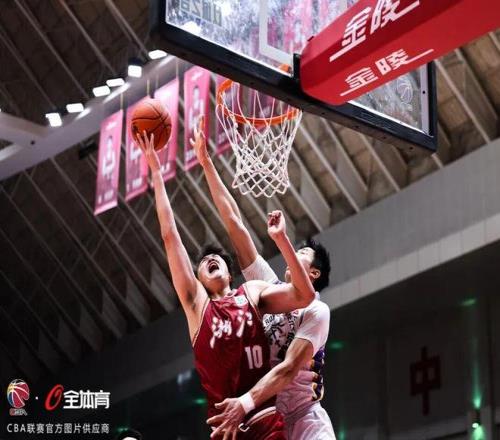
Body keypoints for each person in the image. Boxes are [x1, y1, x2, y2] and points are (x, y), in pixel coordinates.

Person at [136, 131, 315, 439]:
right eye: (204, 262)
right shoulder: (197, 306)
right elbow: (169, 235)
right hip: (226, 430)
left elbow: (303, 295)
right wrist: (155, 170)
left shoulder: (252, 292)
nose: (210, 259)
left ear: (231, 274)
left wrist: (206, 161)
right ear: (198, 281)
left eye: (217, 258)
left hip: (265, 418)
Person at [190, 117, 336, 439]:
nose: (293, 252)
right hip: (266, 415)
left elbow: (288, 369)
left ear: (313, 273)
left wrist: (243, 403)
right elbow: (234, 223)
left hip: (305, 416)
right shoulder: (267, 287)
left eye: (301, 252)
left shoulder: (317, 312)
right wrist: (206, 163)